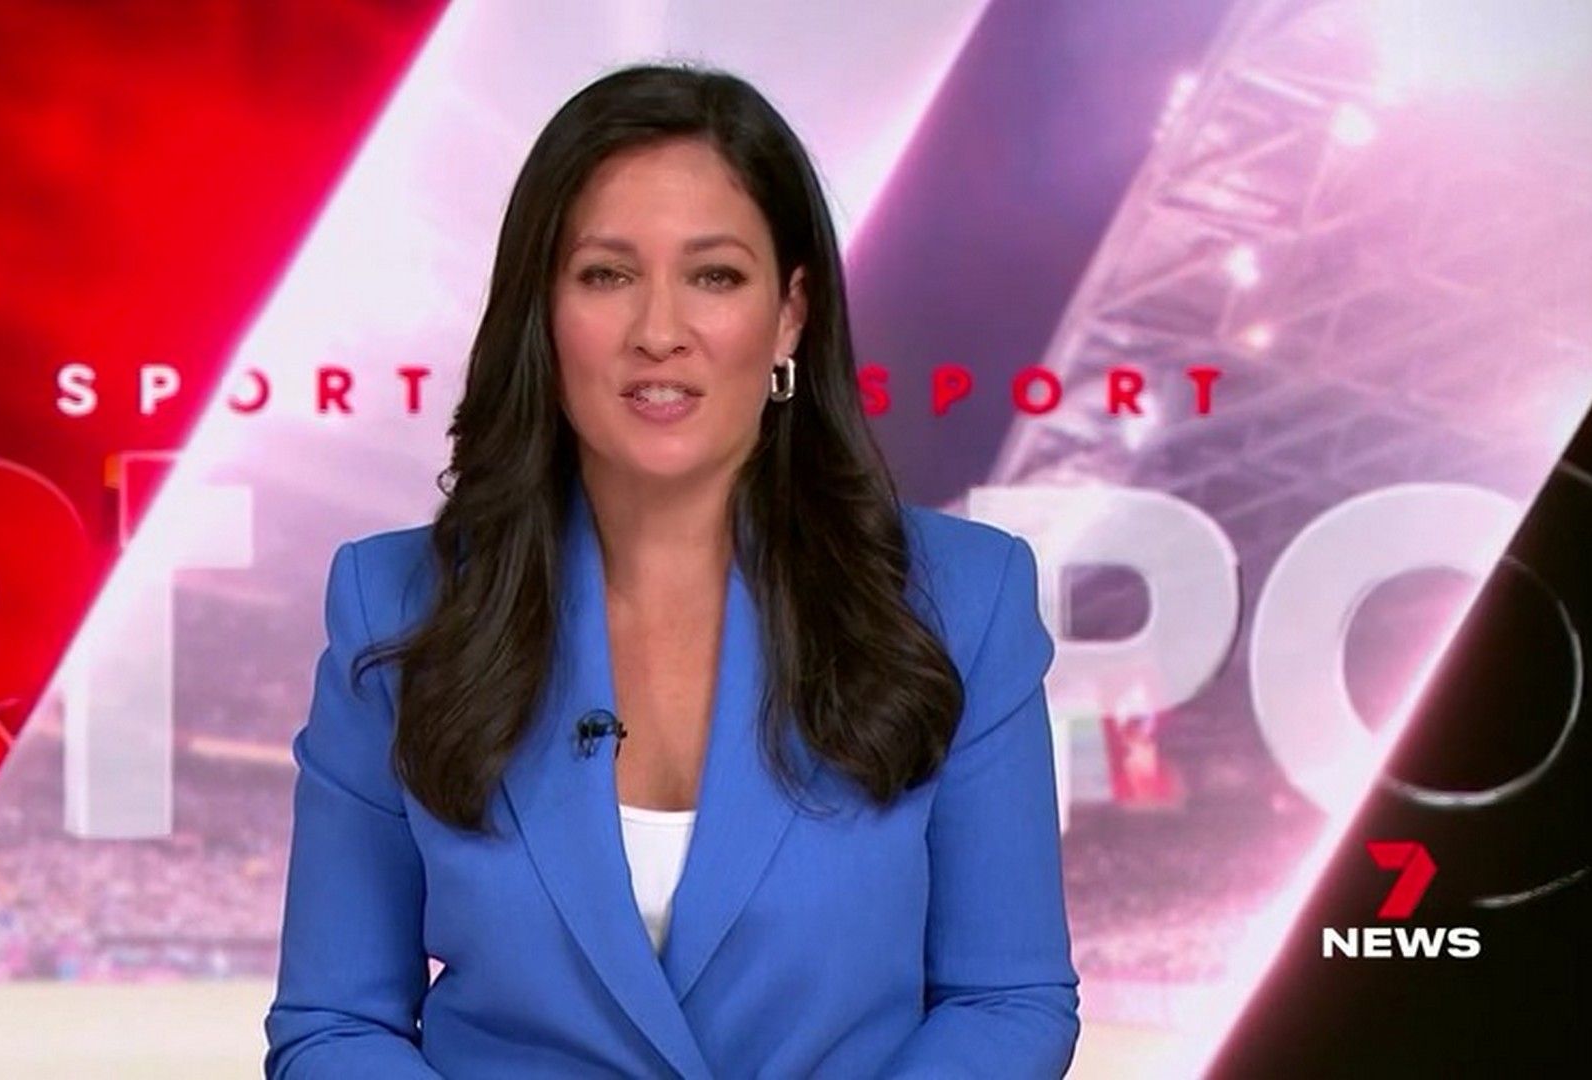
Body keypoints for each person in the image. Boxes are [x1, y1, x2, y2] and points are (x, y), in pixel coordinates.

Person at [264, 62, 1079, 1078]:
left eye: (715, 277)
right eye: (606, 275)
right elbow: (335, 1027)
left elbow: (1006, 1000)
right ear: (542, 309)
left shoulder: (965, 601)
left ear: (790, 314)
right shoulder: (394, 606)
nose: (659, 332)